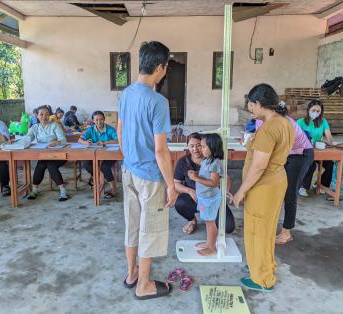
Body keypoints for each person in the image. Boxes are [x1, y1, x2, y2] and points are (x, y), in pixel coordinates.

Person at [118, 41, 176, 300]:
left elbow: (119, 131)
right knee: (149, 229)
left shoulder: (126, 94)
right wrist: (172, 184)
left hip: (128, 171)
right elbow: (161, 150)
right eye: (166, 67)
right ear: (161, 67)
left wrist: (129, 157)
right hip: (150, 177)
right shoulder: (158, 101)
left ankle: (131, 274)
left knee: (132, 225)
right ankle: (144, 285)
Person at [233, 84, 294, 292]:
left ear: (259, 104)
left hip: (263, 186)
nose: (249, 108)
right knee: (265, 230)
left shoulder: (269, 128)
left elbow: (259, 166)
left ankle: (262, 279)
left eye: (251, 104)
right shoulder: (284, 123)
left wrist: (241, 191)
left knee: (258, 231)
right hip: (275, 182)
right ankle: (263, 267)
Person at [255, 113, 314, 245]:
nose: (251, 111)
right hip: (285, 155)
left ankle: (286, 232)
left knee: (289, 193)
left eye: (252, 106)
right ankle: (270, 226)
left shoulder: (281, 121)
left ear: (261, 106)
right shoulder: (259, 120)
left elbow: (278, 145)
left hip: (300, 154)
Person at [174, 132, 235, 235]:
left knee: (227, 227)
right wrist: (190, 191)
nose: (196, 149)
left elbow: (225, 178)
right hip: (195, 199)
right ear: (187, 147)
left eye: (199, 146)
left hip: (212, 198)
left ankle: (210, 225)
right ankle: (192, 220)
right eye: (191, 146)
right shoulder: (183, 162)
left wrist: (226, 190)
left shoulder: (212, 161)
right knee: (180, 203)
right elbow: (176, 184)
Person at [187, 133, 225, 256]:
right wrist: (196, 174)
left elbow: (214, 182)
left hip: (210, 199)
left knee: (210, 222)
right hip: (204, 198)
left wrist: (196, 179)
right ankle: (209, 242)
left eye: (203, 147)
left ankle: (211, 247)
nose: (200, 149)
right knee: (207, 221)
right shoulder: (207, 160)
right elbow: (205, 174)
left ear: (212, 147)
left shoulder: (215, 163)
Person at [25, 105, 68, 202]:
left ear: (50, 115)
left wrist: (57, 142)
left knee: (51, 165)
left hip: (59, 154)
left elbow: (63, 139)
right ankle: (35, 190)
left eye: (47, 114)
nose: (44, 116)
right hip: (44, 155)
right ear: (37, 115)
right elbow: (27, 138)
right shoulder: (35, 127)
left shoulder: (55, 125)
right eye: (41, 114)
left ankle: (62, 190)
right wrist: (15, 141)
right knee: (40, 165)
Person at [297, 100, 334, 197]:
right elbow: (295, 139)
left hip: (318, 150)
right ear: (308, 109)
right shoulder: (301, 122)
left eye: (318, 111)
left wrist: (324, 142)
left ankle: (321, 185)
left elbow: (330, 139)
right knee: (311, 165)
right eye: (313, 110)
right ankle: (303, 187)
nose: (315, 113)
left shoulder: (323, 122)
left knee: (330, 164)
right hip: (304, 151)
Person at [78, 111, 118, 198]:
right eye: (96, 120)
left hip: (110, 154)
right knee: (86, 163)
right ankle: (99, 178)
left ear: (104, 120)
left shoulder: (110, 129)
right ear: (93, 121)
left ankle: (113, 188)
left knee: (105, 166)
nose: (99, 122)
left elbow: (118, 140)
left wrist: (105, 142)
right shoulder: (91, 129)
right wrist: (86, 142)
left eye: (101, 119)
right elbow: (80, 140)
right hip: (95, 154)